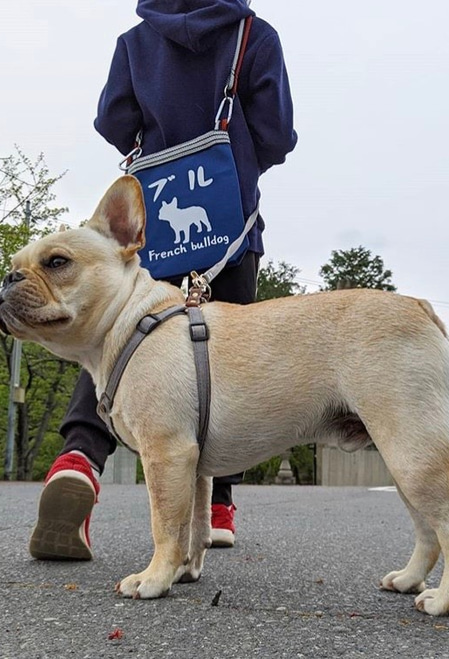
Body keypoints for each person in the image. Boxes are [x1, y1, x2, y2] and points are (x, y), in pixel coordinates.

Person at [29, 0, 297, 561]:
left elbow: (111, 120)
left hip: (153, 219)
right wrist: (241, 151)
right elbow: (276, 132)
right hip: (228, 220)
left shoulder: (136, 40)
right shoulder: (253, 33)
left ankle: (79, 456)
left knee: (116, 335)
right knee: (227, 359)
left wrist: (158, 137)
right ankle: (218, 506)